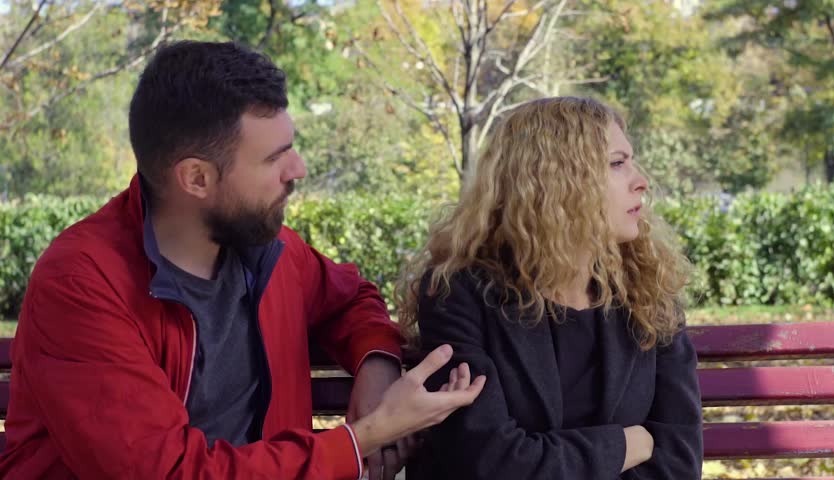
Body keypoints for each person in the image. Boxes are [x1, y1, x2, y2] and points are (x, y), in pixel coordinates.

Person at [0, 40, 485, 480]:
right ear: (196, 178)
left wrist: (377, 364)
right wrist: (364, 439)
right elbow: (167, 472)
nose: (298, 169)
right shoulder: (81, 284)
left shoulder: (267, 249)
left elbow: (351, 298)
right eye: (275, 158)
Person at [399, 96, 703, 479]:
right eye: (617, 163)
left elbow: (679, 461)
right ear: (557, 181)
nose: (640, 181)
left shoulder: (647, 292)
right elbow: (493, 463)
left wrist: (547, 457)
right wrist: (627, 444)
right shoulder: (458, 293)